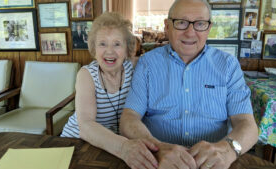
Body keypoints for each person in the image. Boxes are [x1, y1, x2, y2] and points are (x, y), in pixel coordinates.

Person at [120, 0, 258, 169]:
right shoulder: (147, 64)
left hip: (213, 163)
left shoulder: (228, 65)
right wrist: (157, 148)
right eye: (181, 23)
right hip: (160, 161)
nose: (190, 32)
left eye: (200, 24)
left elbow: (247, 124)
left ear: (208, 28)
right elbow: (129, 118)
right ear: (167, 26)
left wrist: (227, 150)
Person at [61, 12, 159, 169]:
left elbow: (160, 61)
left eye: (117, 44)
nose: (109, 51)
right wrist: (123, 146)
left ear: (128, 48)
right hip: (78, 141)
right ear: (93, 47)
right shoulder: (87, 75)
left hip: (113, 143)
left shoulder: (135, 67)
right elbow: (86, 125)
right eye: (102, 44)